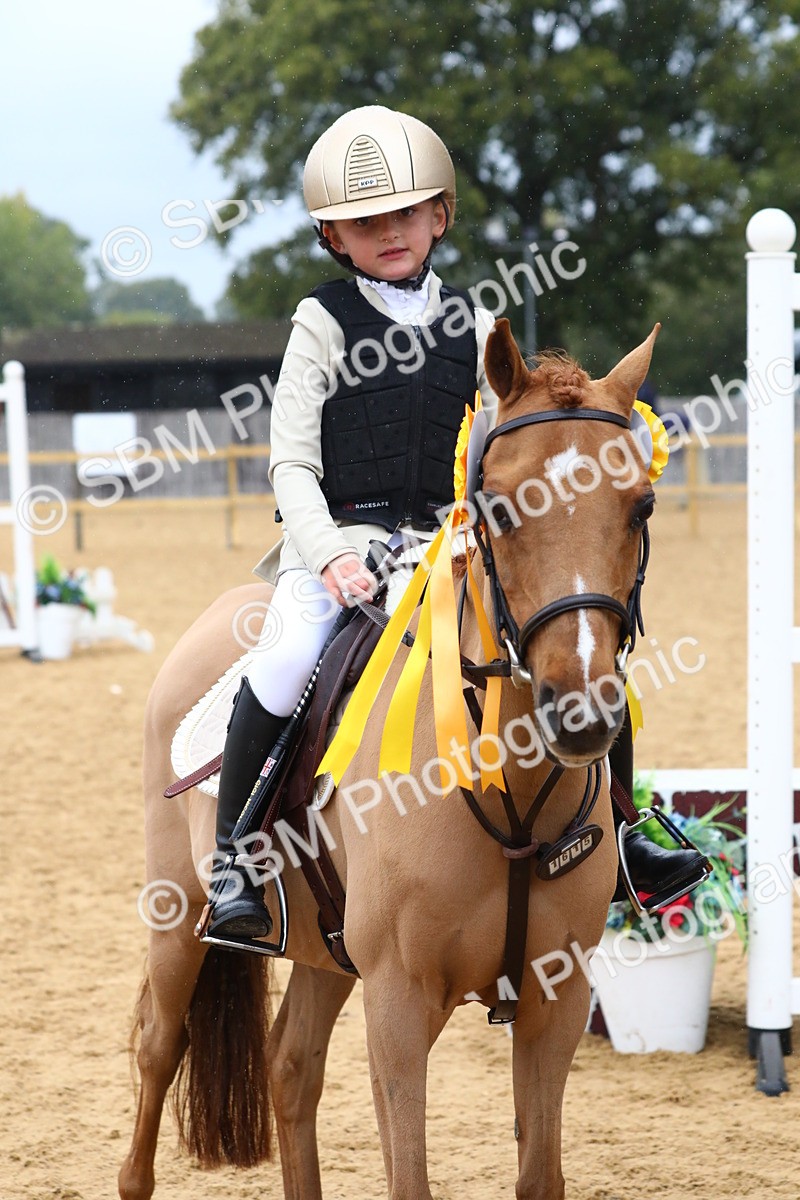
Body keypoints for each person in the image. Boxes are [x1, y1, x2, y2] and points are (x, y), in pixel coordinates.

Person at [204, 105, 707, 944]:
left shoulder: (475, 326)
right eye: (366, 223)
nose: (389, 233)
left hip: (449, 542)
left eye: (406, 214)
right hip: (342, 544)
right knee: (287, 658)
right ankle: (235, 860)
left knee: (577, 643)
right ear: (333, 236)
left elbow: (505, 446)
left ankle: (624, 837)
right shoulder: (320, 322)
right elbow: (290, 463)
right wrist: (326, 557)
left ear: (439, 216)